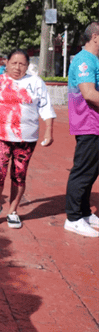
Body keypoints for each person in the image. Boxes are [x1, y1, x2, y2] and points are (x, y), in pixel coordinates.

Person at [0, 49, 55, 229]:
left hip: (26, 138)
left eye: (22, 64)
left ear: (27, 66)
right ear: (6, 63)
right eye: (14, 63)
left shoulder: (35, 83)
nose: (18, 67)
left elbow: (46, 108)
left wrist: (49, 131)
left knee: (19, 175)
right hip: (0, 136)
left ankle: (13, 210)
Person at [64, 22, 99, 237]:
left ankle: (85, 212)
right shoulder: (84, 60)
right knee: (83, 171)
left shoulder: (93, 60)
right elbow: (89, 93)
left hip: (95, 124)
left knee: (92, 171)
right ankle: (73, 217)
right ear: (95, 37)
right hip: (88, 123)